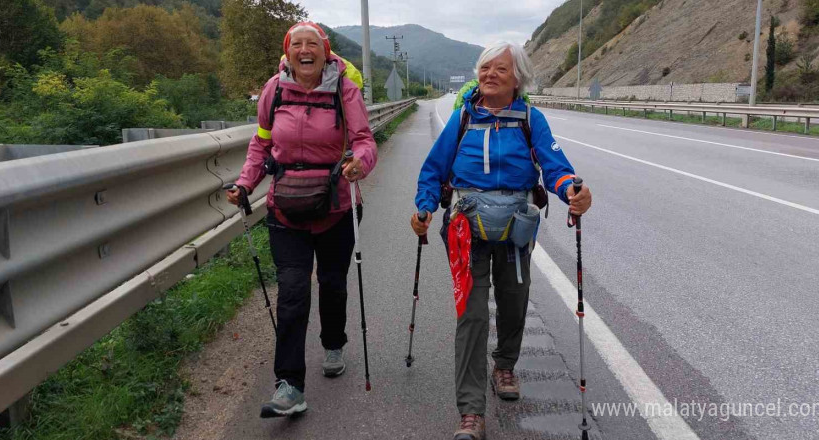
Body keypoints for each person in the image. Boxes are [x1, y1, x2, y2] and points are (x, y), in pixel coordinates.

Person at [410, 41, 592, 440]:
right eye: (485, 68)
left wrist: (572, 191)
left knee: (513, 302)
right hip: (465, 231)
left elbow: (556, 168)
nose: (490, 74)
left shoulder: (531, 119)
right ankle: (471, 412)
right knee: (472, 316)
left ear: (518, 79)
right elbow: (432, 170)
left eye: (501, 69)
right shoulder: (462, 119)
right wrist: (423, 208)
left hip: (515, 231)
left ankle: (505, 364)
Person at [228, 21, 377, 418]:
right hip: (285, 206)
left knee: (331, 284)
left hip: (336, 206)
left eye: (313, 44)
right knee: (293, 291)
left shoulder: (344, 89)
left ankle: (333, 343)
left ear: (326, 52)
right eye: (298, 44)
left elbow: (364, 140)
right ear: (288, 51)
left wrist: (359, 164)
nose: (305, 50)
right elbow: (260, 144)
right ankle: (290, 385)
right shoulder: (273, 90)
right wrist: (245, 185)